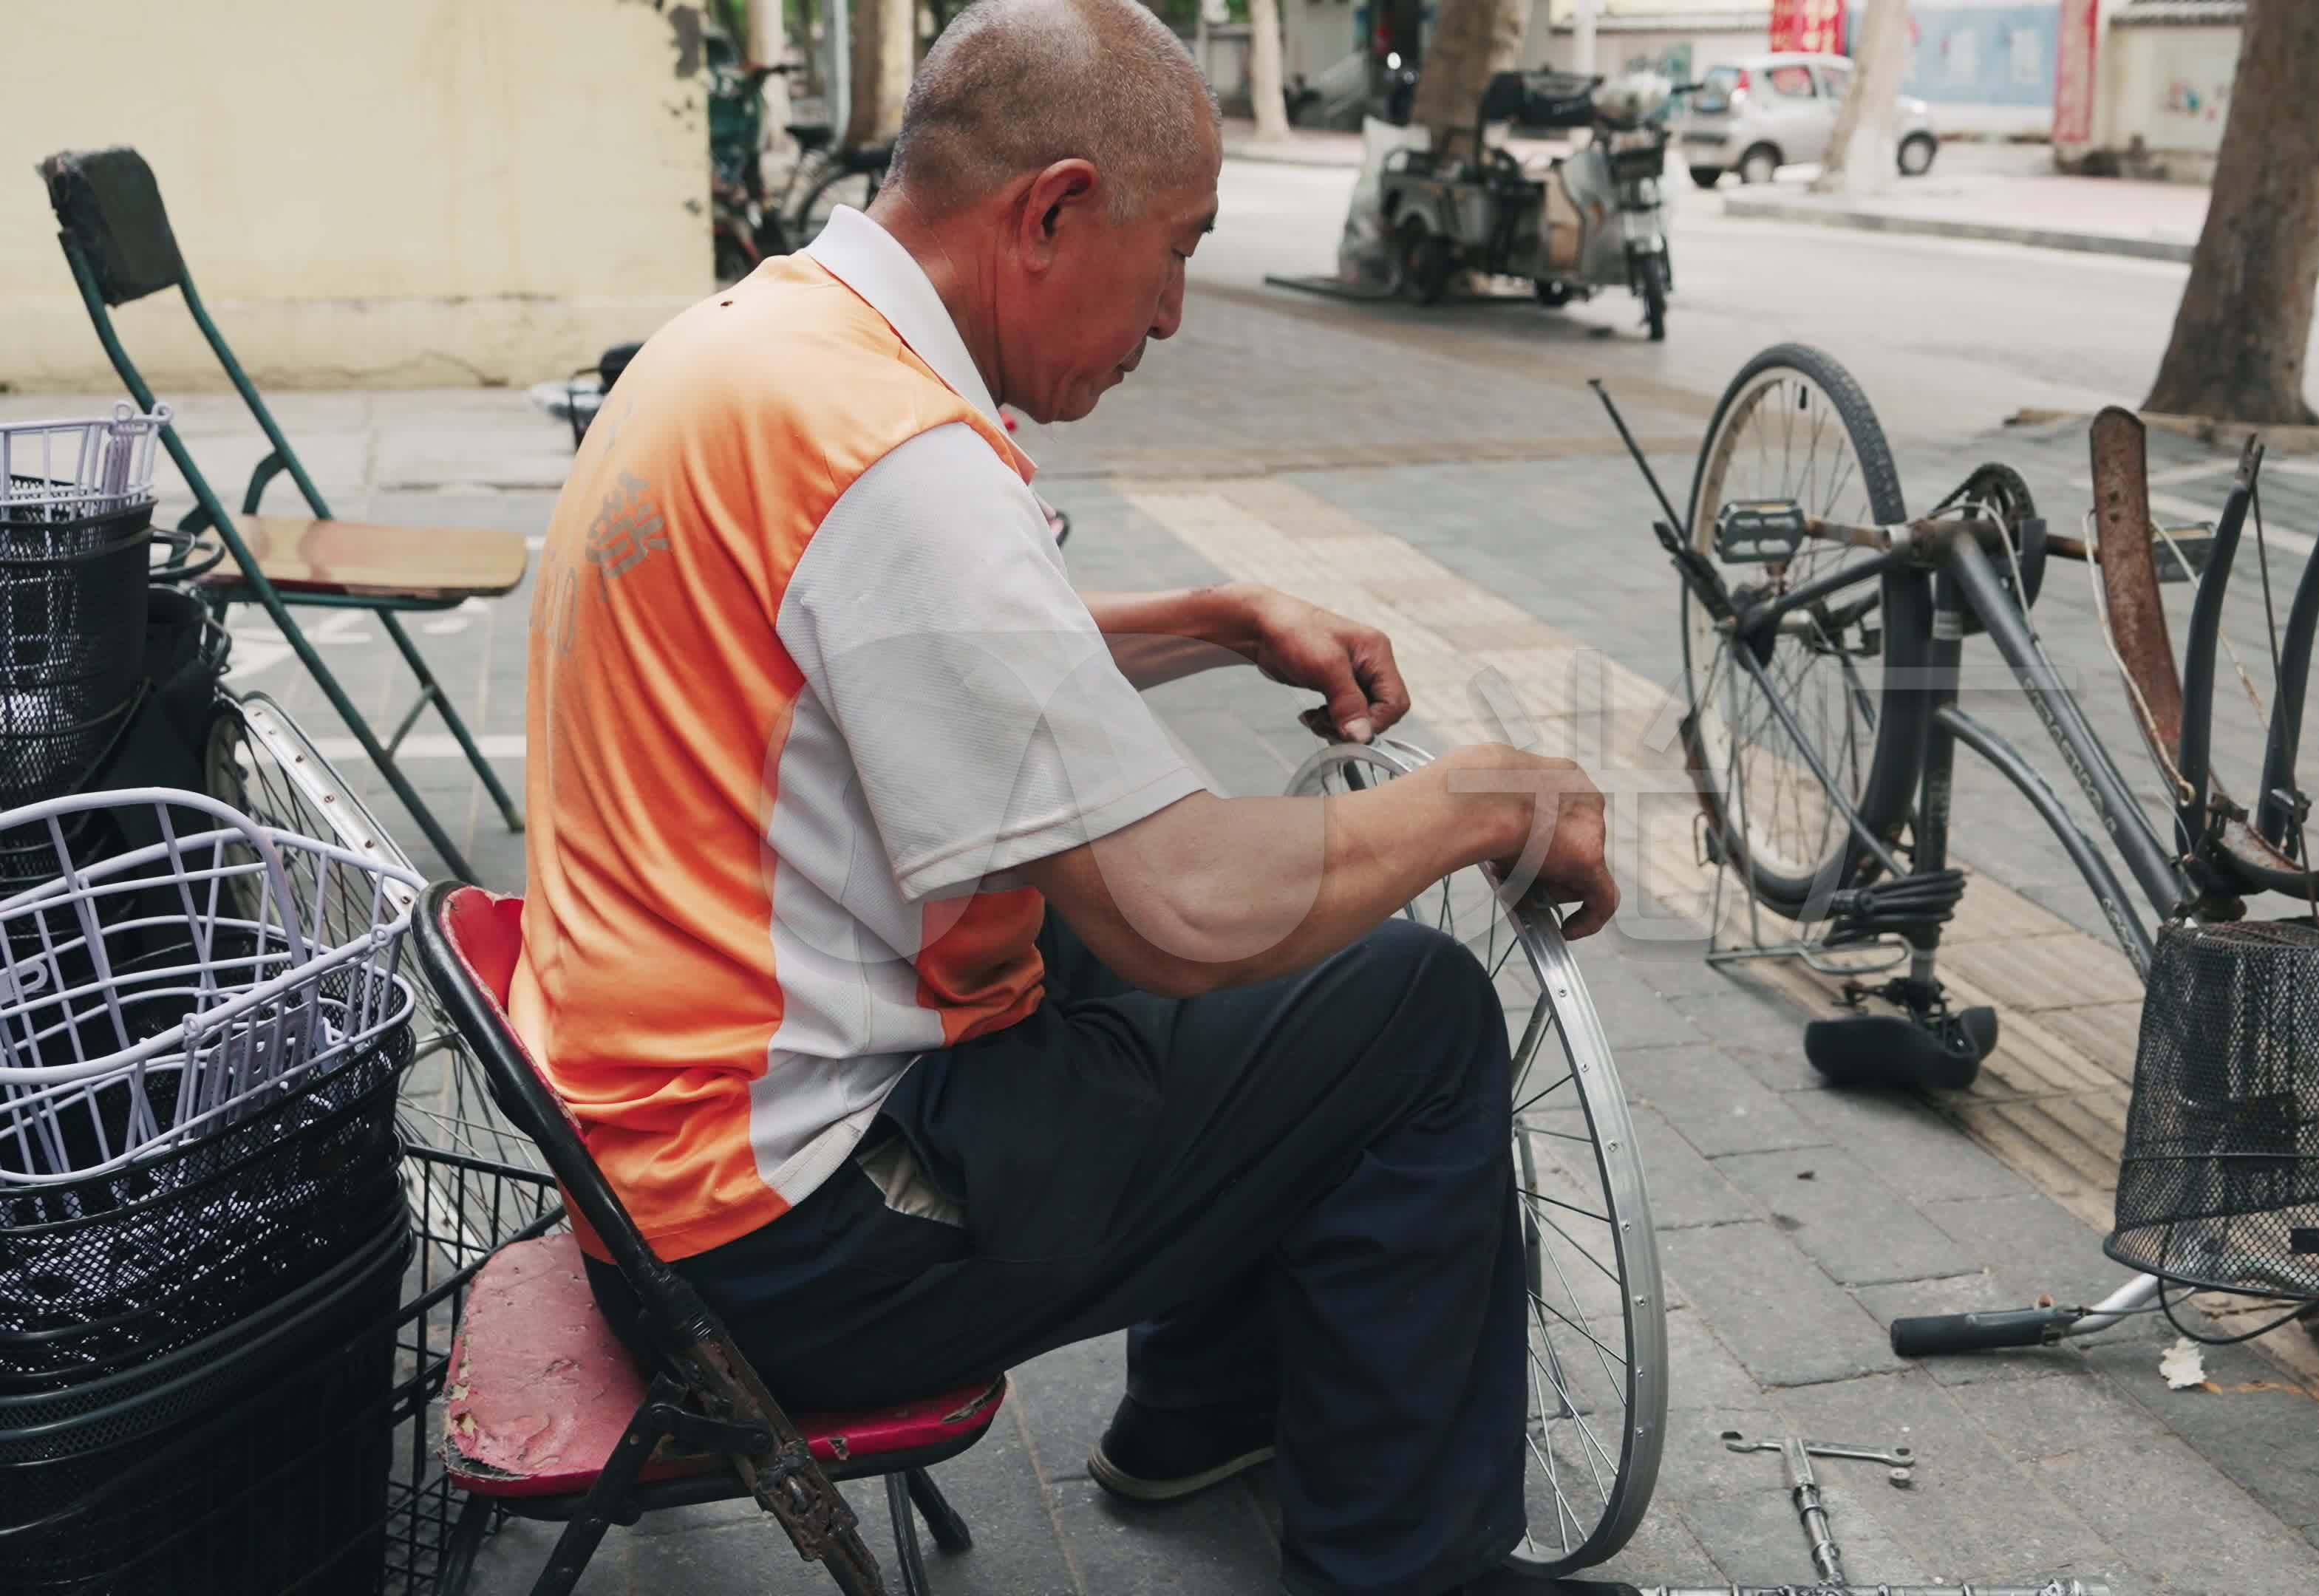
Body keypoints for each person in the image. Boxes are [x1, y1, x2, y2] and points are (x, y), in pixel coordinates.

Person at [511, 1, 1632, 1592]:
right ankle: (1410, 1565)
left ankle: (1196, 1418)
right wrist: (1484, 798)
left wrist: (1215, 622)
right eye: (1175, 250)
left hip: (661, 1161)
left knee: (1272, 953)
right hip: (789, 1236)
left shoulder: (756, 348)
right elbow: (1182, 909)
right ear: (1050, 212)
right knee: (1411, 1014)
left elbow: (888, 657)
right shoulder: (888, 449)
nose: (1173, 314)